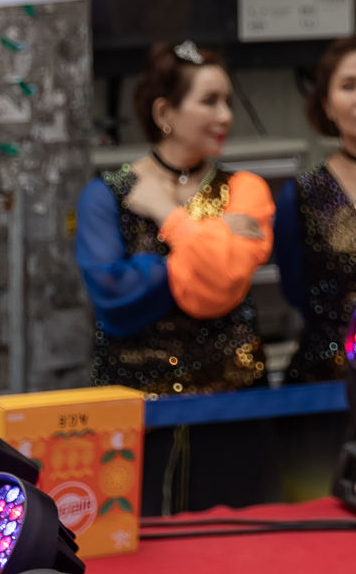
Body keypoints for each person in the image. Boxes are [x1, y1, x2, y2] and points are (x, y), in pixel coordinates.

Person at [75, 41, 275, 394]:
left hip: (237, 398)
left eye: (227, 102)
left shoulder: (246, 189)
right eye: (209, 101)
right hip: (136, 402)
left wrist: (167, 214)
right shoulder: (106, 194)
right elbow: (113, 297)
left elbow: (224, 283)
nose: (226, 115)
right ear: (165, 113)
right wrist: (215, 236)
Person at [274, 34, 356, 382]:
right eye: (349, 86)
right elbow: (295, 290)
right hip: (329, 381)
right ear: (328, 105)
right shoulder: (302, 193)